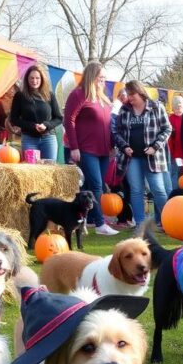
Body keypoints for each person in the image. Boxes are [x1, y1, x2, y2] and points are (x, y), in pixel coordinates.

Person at [63, 61, 117, 235]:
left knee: (91, 186)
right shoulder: (79, 94)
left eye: (104, 78)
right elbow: (69, 120)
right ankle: (101, 224)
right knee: (96, 185)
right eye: (100, 77)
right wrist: (74, 147)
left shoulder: (103, 98)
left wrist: (111, 146)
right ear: (91, 76)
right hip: (86, 148)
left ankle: (87, 220)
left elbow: (108, 124)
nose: (103, 81)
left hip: (103, 150)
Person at [112, 80, 173, 227]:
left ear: (140, 92)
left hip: (153, 157)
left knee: (158, 190)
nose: (130, 98)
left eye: (132, 95)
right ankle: (140, 224)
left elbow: (167, 129)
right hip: (132, 158)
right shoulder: (124, 110)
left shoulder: (156, 107)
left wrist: (155, 146)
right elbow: (117, 132)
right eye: (128, 95)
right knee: (136, 191)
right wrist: (124, 146)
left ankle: (167, 222)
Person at [10, 65, 63, 163]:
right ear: (27, 79)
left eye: (37, 78)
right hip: (29, 139)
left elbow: (59, 118)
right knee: (32, 171)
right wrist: (32, 126)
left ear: (42, 79)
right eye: (32, 78)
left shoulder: (49, 95)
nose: (34, 81)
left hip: (49, 139)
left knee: (49, 171)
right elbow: (14, 119)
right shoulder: (20, 96)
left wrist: (46, 125)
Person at [168, 95, 183, 187]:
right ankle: (174, 191)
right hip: (173, 149)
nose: (178, 109)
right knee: (174, 171)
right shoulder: (170, 119)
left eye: (180, 107)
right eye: (176, 108)